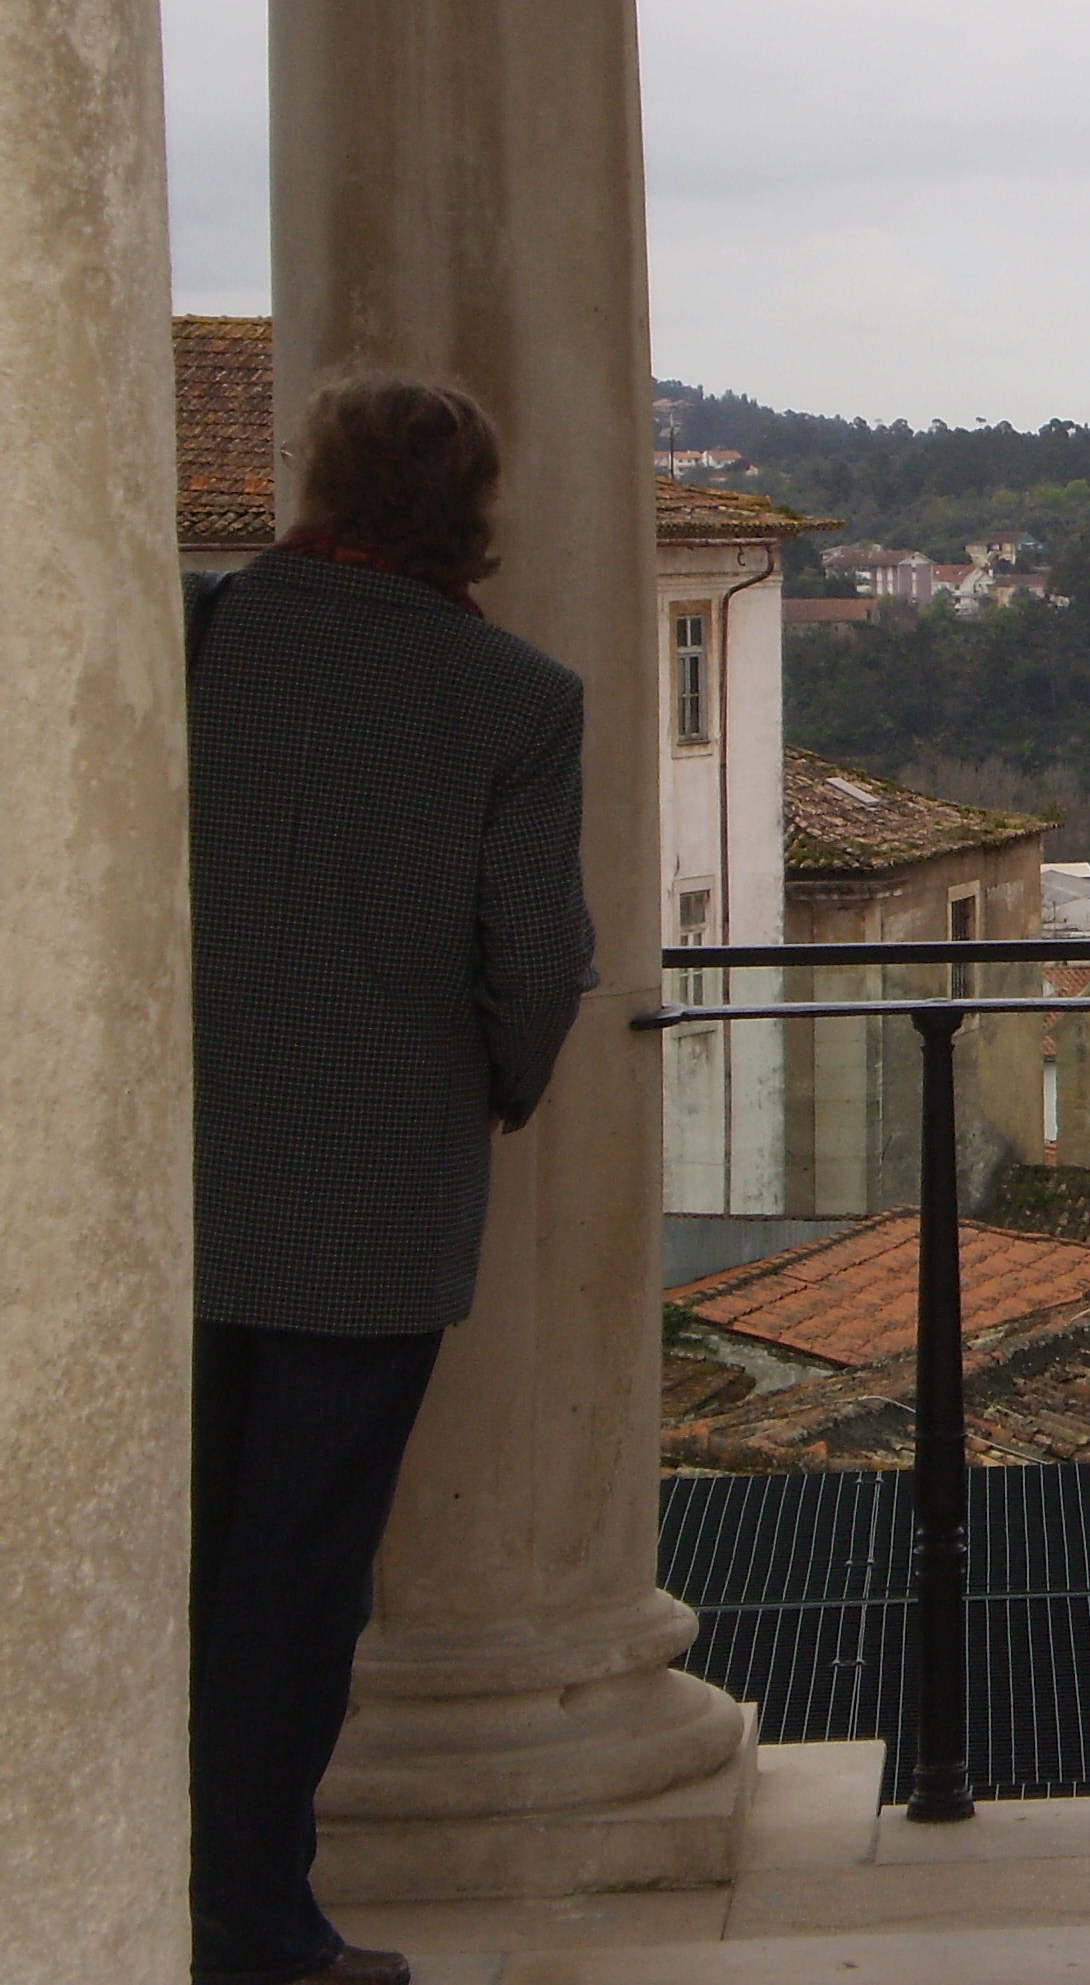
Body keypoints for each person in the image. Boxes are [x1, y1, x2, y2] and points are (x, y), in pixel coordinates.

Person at [186, 375, 596, 1985]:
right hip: (372, 1201)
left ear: (318, 482)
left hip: (170, 1182)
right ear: (481, 508)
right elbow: (535, 963)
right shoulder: (515, 697)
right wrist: (489, 1090)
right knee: (297, 1568)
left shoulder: (206, 637)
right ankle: (255, 1918)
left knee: (168, 1547)